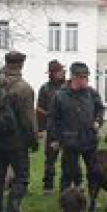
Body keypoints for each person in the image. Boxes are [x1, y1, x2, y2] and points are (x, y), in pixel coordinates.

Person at [0, 51, 39, 212]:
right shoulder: (24, 88)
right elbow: (28, 120)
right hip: (17, 141)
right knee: (22, 176)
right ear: (21, 65)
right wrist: (33, 140)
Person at [48, 62, 105, 190]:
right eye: (84, 77)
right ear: (75, 77)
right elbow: (53, 119)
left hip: (89, 139)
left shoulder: (91, 93)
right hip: (69, 140)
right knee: (68, 173)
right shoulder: (60, 95)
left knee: (93, 171)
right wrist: (55, 138)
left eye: (87, 77)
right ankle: (65, 200)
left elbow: (100, 110)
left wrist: (98, 121)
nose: (87, 80)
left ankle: (91, 199)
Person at [37, 60, 65, 194]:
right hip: (52, 129)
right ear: (51, 74)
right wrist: (41, 129)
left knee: (71, 158)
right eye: (58, 71)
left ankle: (69, 185)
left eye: (62, 70)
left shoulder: (69, 86)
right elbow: (40, 109)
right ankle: (48, 186)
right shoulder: (45, 88)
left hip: (68, 128)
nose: (61, 73)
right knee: (50, 159)